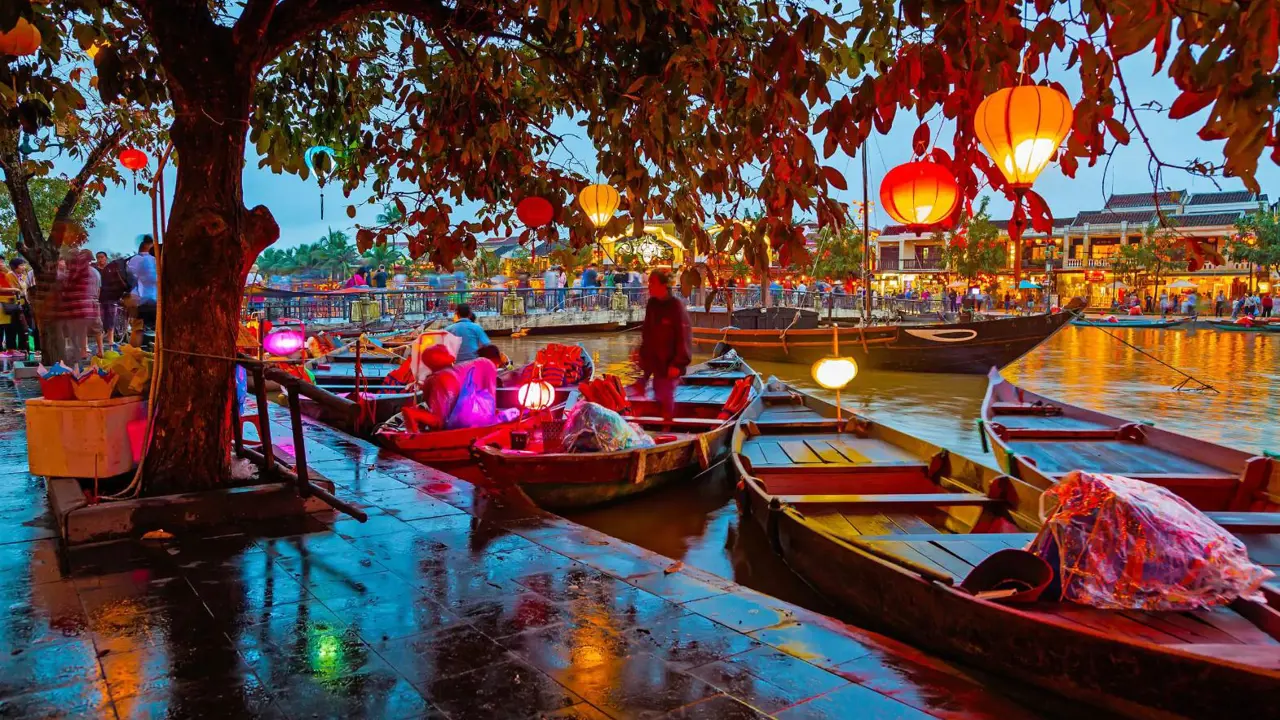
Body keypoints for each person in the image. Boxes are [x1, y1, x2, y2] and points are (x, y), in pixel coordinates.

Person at [636, 270, 692, 423]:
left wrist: (678, 363)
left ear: (662, 285)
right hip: (654, 360)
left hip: (670, 363)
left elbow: (684, 337)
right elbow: (647, 334)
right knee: (651, 394)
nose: (649, 286)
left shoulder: (676, 306)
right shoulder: (652, 304)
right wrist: (642, 357)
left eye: (652, 283)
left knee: (665, 395)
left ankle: (668, 428)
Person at [126, 236, 158, 345]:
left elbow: (129, 278)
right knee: (159, 329)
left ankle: (134, 356)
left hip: (140, 300)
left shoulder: (136, 259)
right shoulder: (156, 259)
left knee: (138, 329)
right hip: (157, 300)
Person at [97, 251, 130, 347]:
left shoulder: (112, 270)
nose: (100, 259)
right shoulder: (96, 270)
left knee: (111, 319)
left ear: (105, 258)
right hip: (100, 299)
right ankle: (101, 341)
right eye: (98, 257)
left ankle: (110, 340)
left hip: (112, 298)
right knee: (101, 321)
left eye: (102, 257)